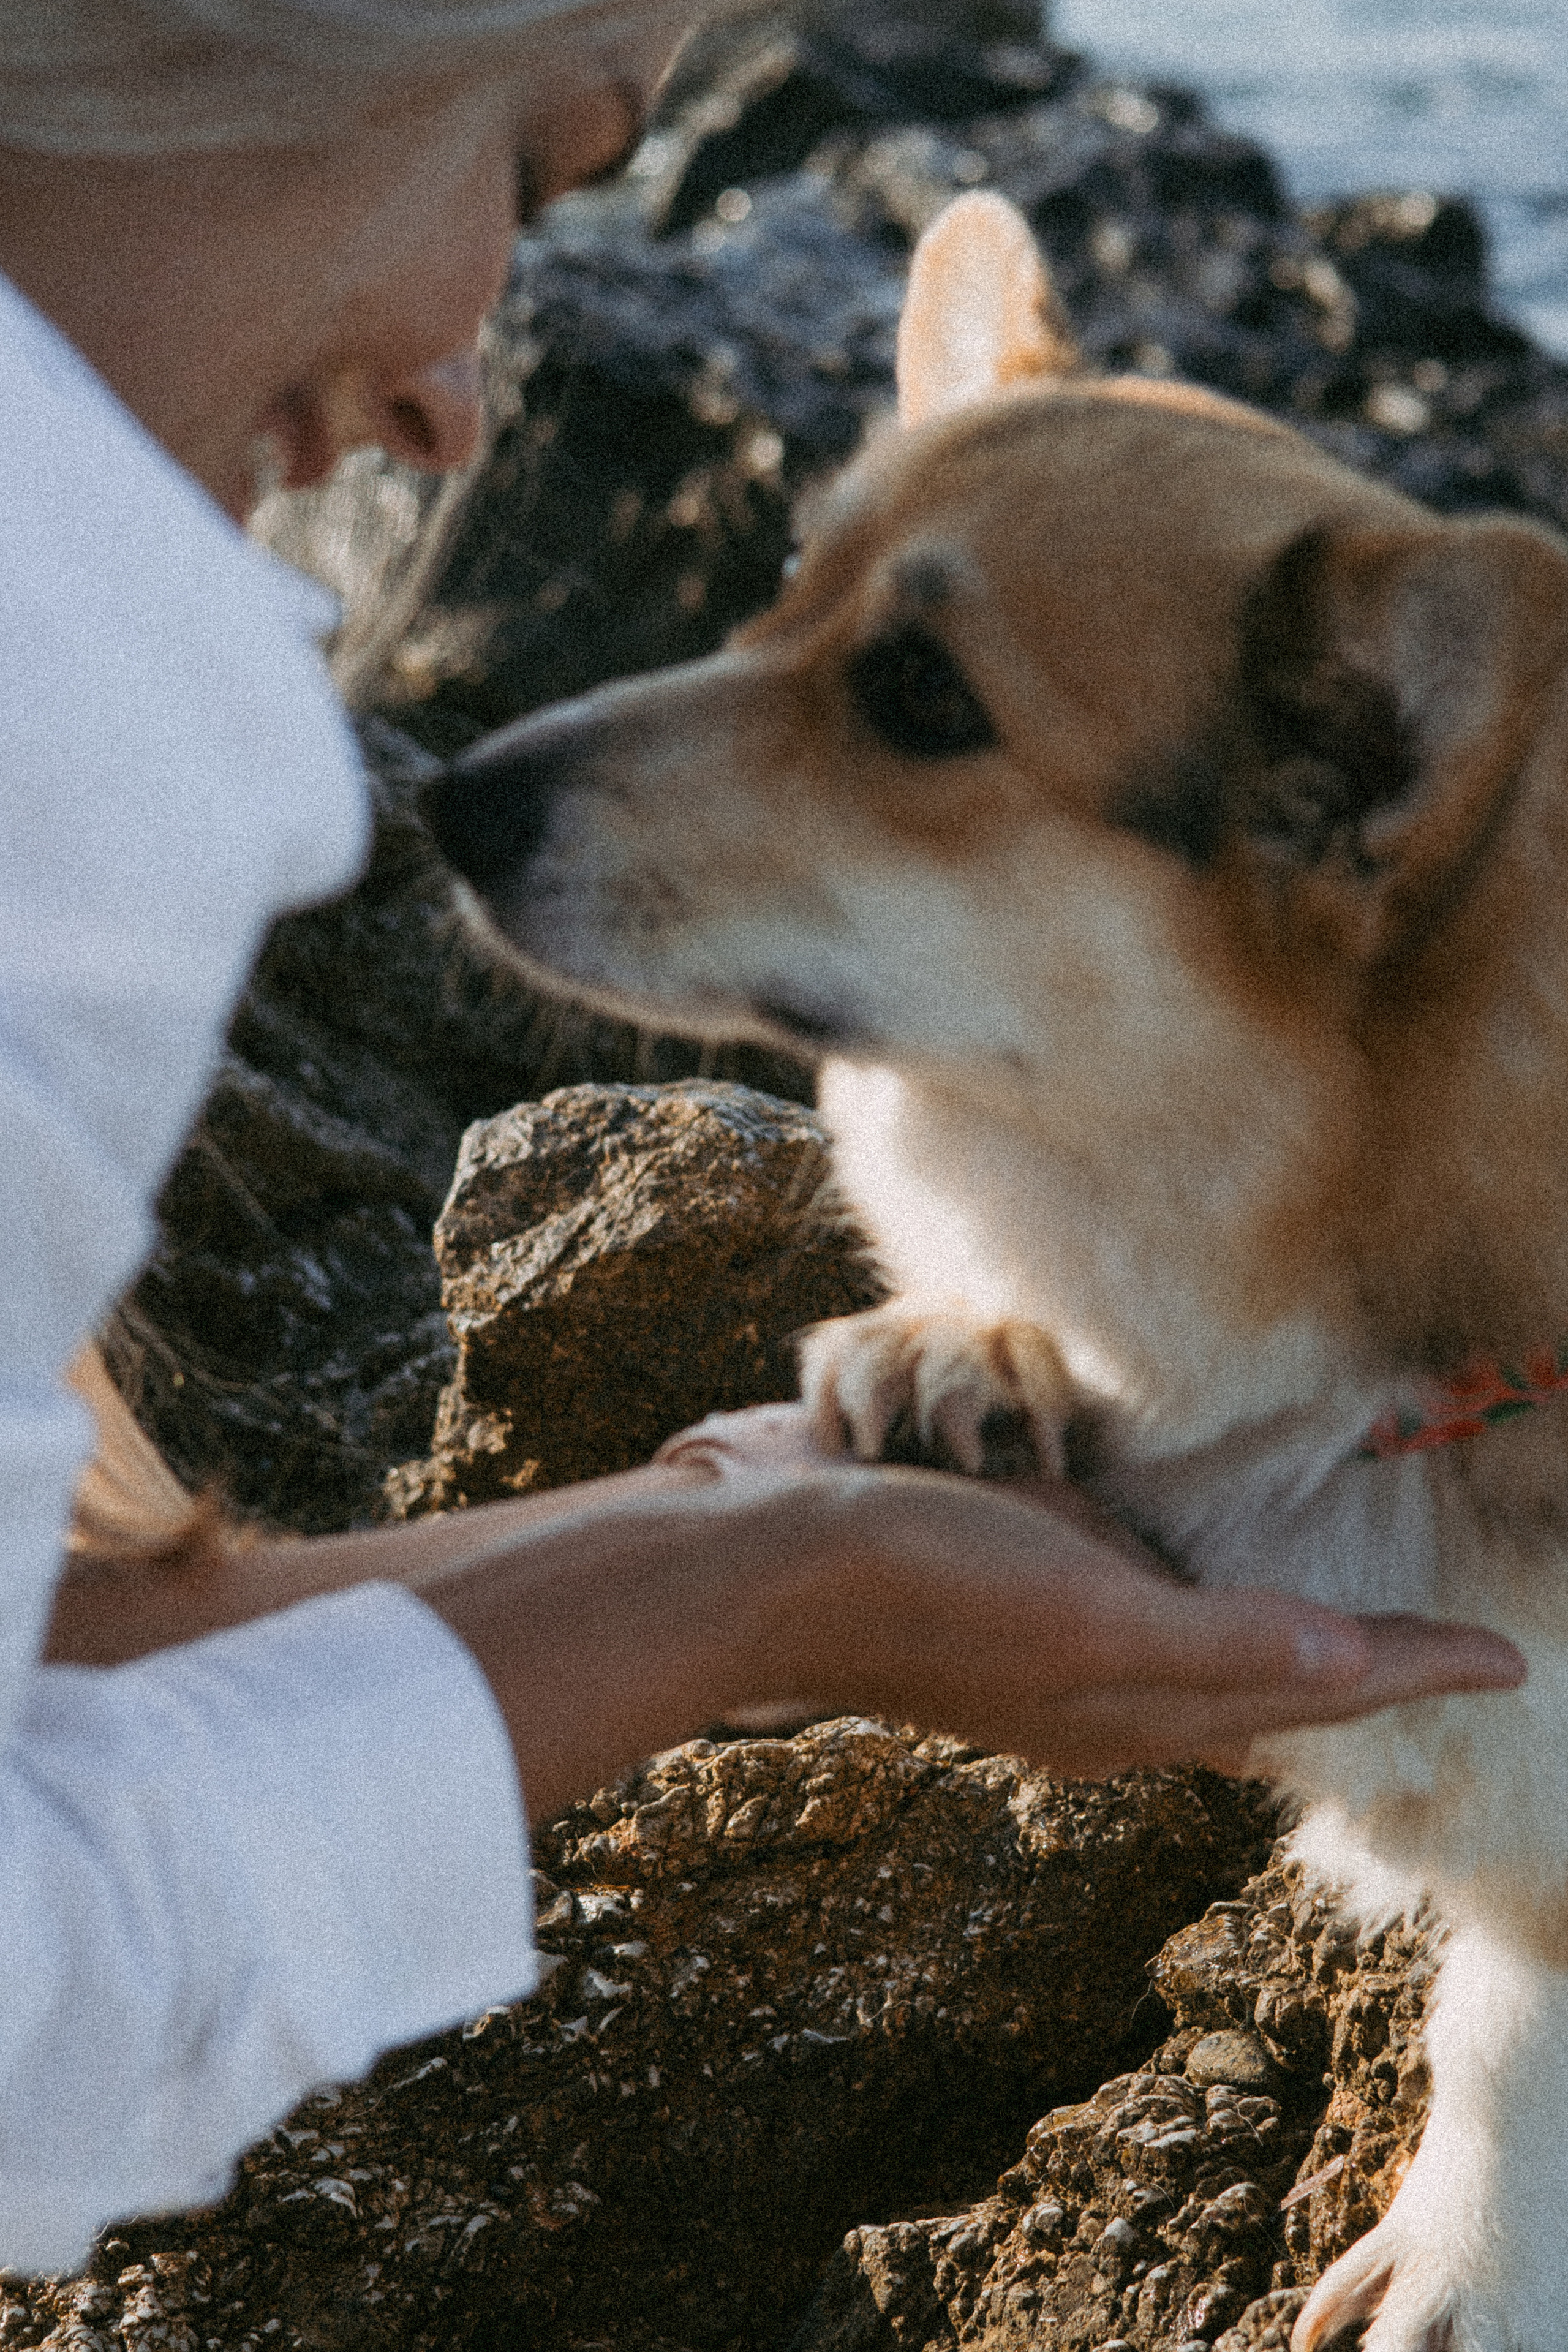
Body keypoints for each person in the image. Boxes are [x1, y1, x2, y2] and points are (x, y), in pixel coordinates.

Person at [0, 0, 1525, 2282]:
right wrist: (773, 1580)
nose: (460, 404)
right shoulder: (68, 738)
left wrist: (742, 1549)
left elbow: (56, 1693)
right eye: (532, 169)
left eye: (897, 697)